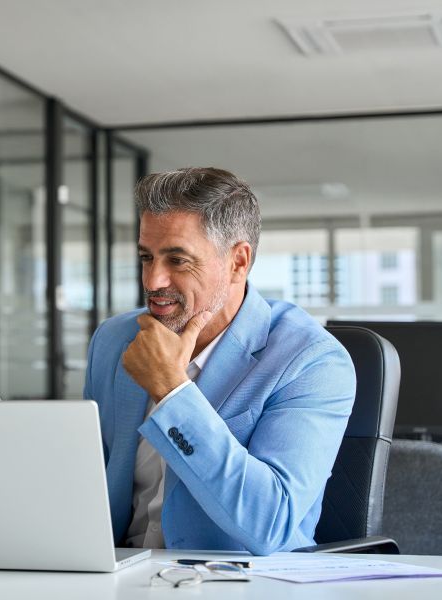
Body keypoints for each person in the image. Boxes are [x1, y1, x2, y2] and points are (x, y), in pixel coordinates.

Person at [84, 167, 355, 555]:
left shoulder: (312, 361)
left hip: (238, 577)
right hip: (115, 570)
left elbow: (270, 522)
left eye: (178, 260)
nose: (153, 280)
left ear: (238, 262)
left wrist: (171, 392)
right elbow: (84, 482)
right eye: (146, 257)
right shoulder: (114, 340)